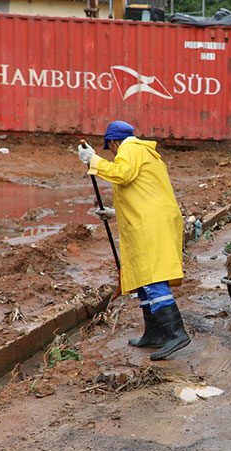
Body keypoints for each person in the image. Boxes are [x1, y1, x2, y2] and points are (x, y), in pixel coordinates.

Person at [77, 120, 190, 360]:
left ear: (114, 142)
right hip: (150, 221)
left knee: (152, 277)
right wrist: (113, 213)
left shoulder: (130, 149)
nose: (114, 154)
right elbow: (141, 193)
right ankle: (154, 333)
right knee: (143, 278)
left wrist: (93, 161)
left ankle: (175, 333)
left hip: (151, 225)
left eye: (111, 149)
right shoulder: (142, 153)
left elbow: (122, 174)